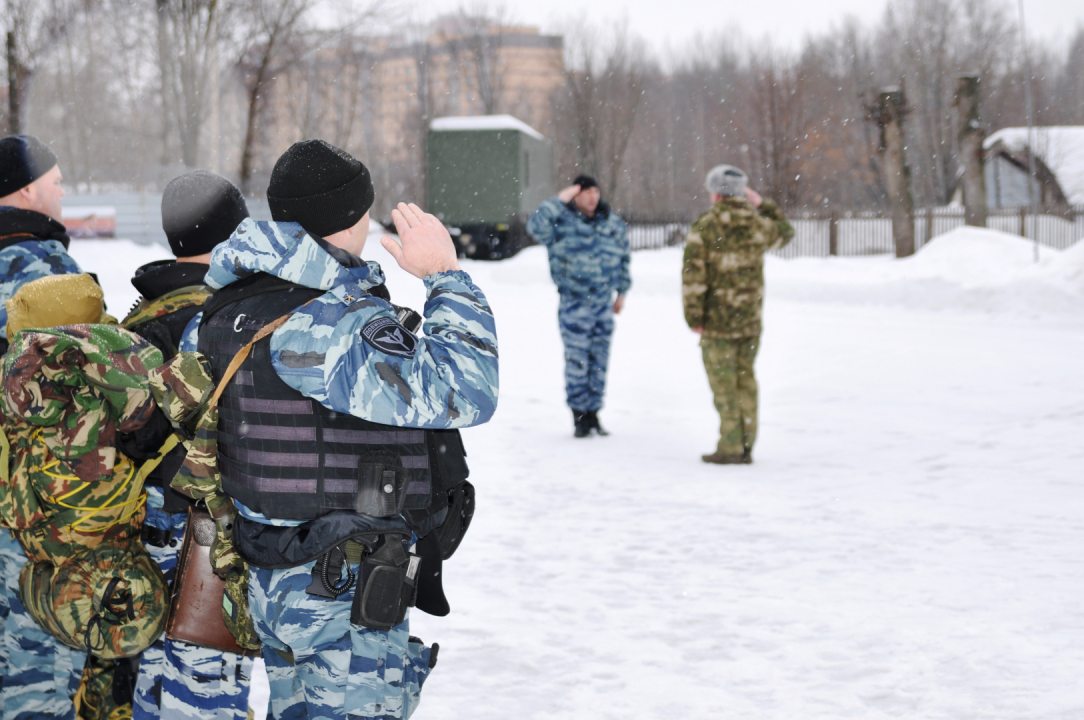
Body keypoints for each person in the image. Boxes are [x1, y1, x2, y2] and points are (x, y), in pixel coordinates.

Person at [196, 139, 498, 719]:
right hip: (338, 585)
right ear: (352, 217)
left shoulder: (233, 304)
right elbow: (468, 390)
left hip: (275, 569)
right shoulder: (324, 323)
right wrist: (446, 276)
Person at [122, 171, 254, 720]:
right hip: (211, 543)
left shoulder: (138, 322)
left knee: (151, 688)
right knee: (208, 698)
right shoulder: (237, 318)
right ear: (235, 233)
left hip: (144, 533)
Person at [0, 134, 86, 720]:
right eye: (56, 180)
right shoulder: (42, 270)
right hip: (29, 509)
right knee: (38, 676)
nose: (61, 189)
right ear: (27, 189)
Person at [682, 164, 794, 465]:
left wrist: (694, 317)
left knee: (724, 385)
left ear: (716, 193)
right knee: (746, 382)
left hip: (718, 323)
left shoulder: (706, 225)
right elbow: (785, 232)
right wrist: (762, 204)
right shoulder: (757, 224)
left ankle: (730, 446)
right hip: (750, 321)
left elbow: (694, 277)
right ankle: (746, 445)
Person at [526, 174, 630, 438]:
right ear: (575, 195)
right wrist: (561, 198)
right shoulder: (560, 221)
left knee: (599, 361)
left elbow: (623, 256)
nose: (593, 197)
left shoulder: (611, 222)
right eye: (586, 192)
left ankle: (594, 414)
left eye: (596, 191)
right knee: (577, 362)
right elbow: (535, 226)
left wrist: (622, 292)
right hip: (575, 303)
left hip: (604, 304)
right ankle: (579, 417)